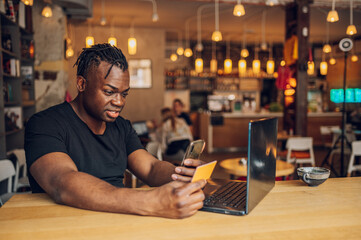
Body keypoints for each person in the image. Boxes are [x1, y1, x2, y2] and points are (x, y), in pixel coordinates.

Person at [24, 44, 206, 219]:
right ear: (81, 84)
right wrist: (150, 201)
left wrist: (181, 175)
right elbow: (62, 182)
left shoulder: (122, 127)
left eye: (124, 94)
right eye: (109, 92)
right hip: (64, 225)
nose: (119, 102)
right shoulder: (45, 124)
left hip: (118, 220)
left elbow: (151, 168)